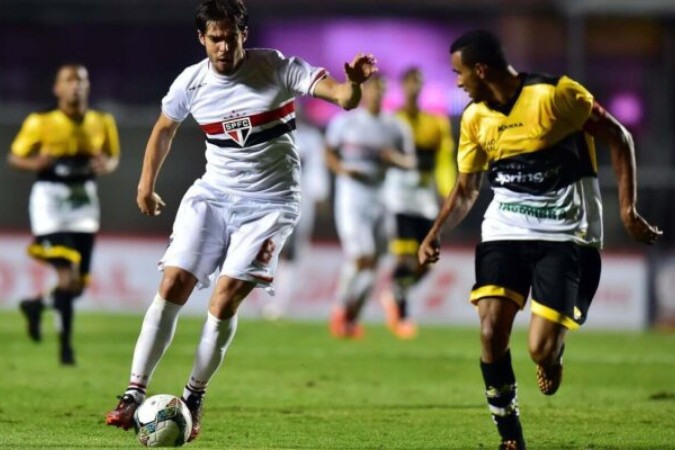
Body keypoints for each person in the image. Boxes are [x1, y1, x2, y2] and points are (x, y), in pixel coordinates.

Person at [104, 0, 378, 442]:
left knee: (225, 296)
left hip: (270, 203)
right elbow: (163, 128)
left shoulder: (276, 67)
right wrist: (145, 183)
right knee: (173, 283)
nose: (223, 46)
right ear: (202, 39)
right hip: (213, 195)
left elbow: (344, 99)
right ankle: (133, 392)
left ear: (243, 35)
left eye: (230, 37)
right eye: (215, 38)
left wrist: (354, 84)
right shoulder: (191, 82)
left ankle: (193, 396)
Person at [418, 30, 662, 450]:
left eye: (459, 73)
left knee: (538, 350)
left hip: (566, 234)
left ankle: (553, 355)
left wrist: (627, 209)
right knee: (491, 329)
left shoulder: (555, 95)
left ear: (481, 70)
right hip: (505, 230)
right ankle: (509, 433)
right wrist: (435, 232)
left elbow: (618, 136)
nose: (457, 82)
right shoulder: (475, 118)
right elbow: (466, 189)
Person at [8, 63, 120, 366]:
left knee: (77, 284)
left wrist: (105, 166)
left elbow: (112, 157)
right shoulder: (40, 121)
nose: (76, 86)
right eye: (69, 81)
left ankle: (36, 303)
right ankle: (66, 348)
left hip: (84, 201)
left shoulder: (102, 120)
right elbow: (15, 155)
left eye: (81, 80)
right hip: (51, 201)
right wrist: (36, 163)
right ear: (57, 88)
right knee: (66, 271)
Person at [325, 74, 415, 339]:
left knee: (374, 263)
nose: (378, 93)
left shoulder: (395, 126)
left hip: (382, 198)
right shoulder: (346, 122)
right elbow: (329, 151)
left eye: (382, 89)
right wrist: (341, 168)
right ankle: (340, 309)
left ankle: (350, 318)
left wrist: (394, 158)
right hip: (352, 199)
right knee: (361, 256)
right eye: (374, 88)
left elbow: (410, 161)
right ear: (364, 90)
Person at [380, 66, 456, 339]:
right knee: (403, 255)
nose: (416, 87)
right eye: (411, 82)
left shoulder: (436, 122)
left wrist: (448, 189)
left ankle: (397, 292)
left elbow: (445, 160)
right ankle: (403, 315)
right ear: (404, 85)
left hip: (424, 197)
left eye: (420, 82)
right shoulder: (392, 120)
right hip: (397, 195)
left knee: (427, 259)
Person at [261, 109, 329, 320]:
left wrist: (319, 194)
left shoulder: (311, 137)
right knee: (266, 248)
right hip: (272, 197)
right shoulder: (271, 132)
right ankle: (263, 299)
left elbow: (317, 168)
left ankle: (279, 303)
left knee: (290, 252)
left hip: (301, 199)